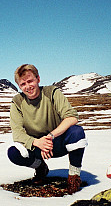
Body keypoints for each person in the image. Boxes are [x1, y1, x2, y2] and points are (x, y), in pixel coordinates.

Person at [7, 64, 88, 194]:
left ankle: (74, 176)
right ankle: (40, 168)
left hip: (57, 142)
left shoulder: (52, 93)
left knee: (77, 132)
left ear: (38, 79)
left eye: (30, 81)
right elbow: (17, 134)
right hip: (37, 147)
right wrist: (38, 142)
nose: (27, 87)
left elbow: (72, 117)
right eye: (23, 84)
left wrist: (50, 137)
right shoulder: (17, 102)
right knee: (14, 152)